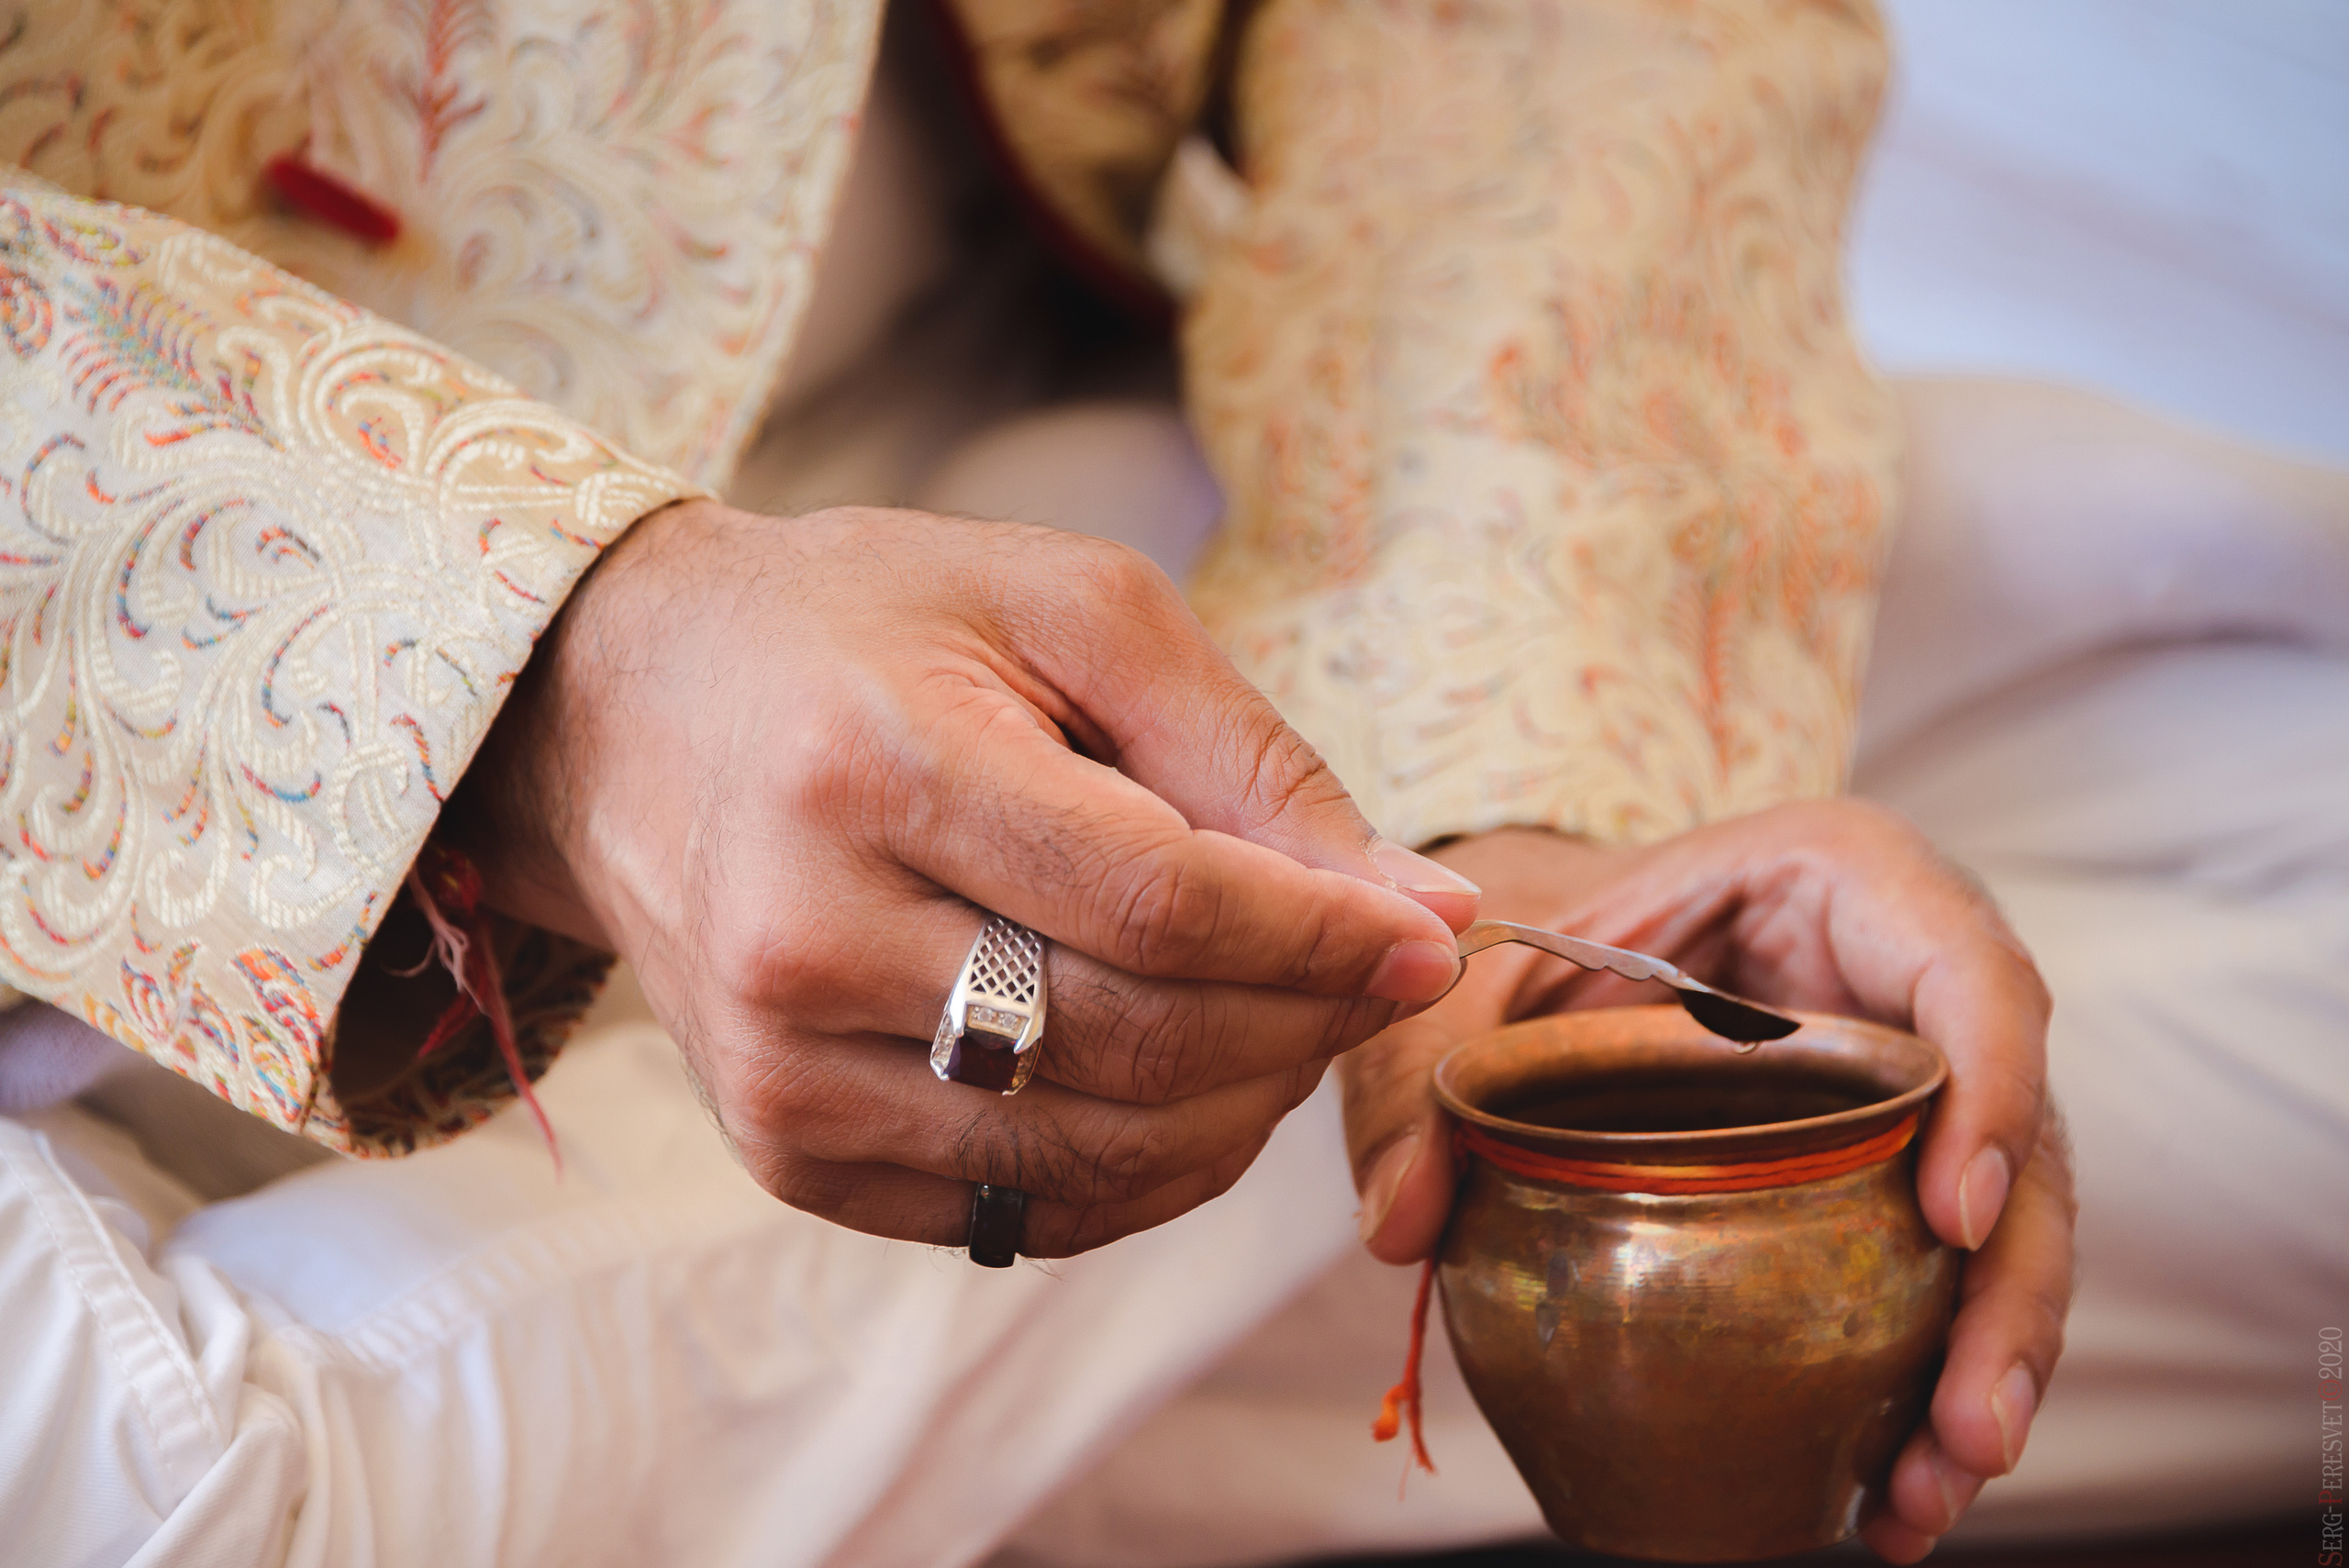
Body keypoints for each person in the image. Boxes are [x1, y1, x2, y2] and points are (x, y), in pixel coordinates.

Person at [0, 1, 2109, 1562]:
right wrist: (537, 669)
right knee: (178, 1487)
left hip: (1044, 498)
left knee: (2276, 716)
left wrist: (1520, 770)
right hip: (140, 646)